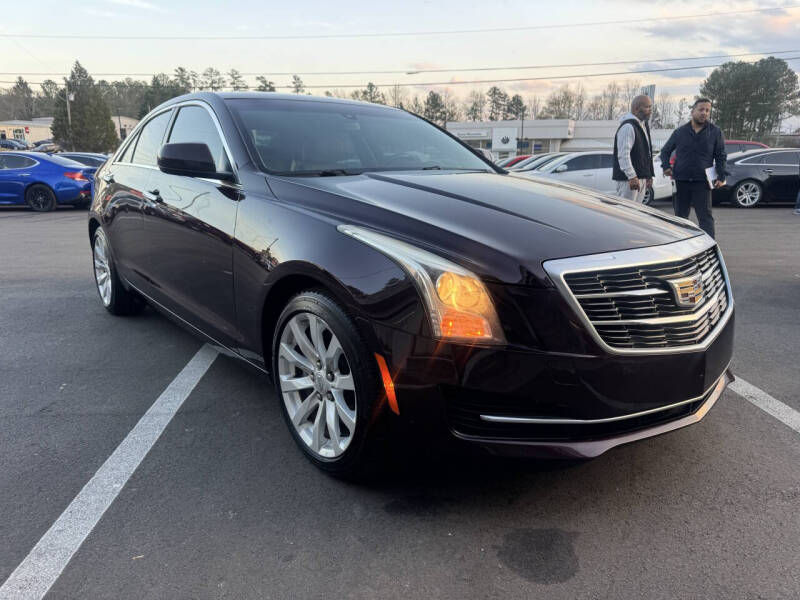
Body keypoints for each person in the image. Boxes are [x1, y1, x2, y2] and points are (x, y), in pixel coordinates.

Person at [659, 98, 726, 238]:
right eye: (701, 109)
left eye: (707, 110)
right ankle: (681, 244)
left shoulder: (715, 132)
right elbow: (665, 151)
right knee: (680, 217)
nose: (704, 113)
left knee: (705, 217)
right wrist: (666, 166)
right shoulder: (680, 132)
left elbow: (720, 156)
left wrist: (721, 176)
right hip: (681, 180)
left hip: (702, 182)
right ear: (692, 111)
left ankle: (709, 246)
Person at [612, 95, 654, 203]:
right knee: (625, 213)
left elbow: (646, 153)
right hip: (629, 180)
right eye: (647, 107)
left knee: (636, 213)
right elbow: (623, 155)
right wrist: (632, 176)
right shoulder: (628, 127)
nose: (650, 110)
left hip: (640, 178)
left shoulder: (643, 126)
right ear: (636, 109)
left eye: (651, 107)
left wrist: (648, 175)